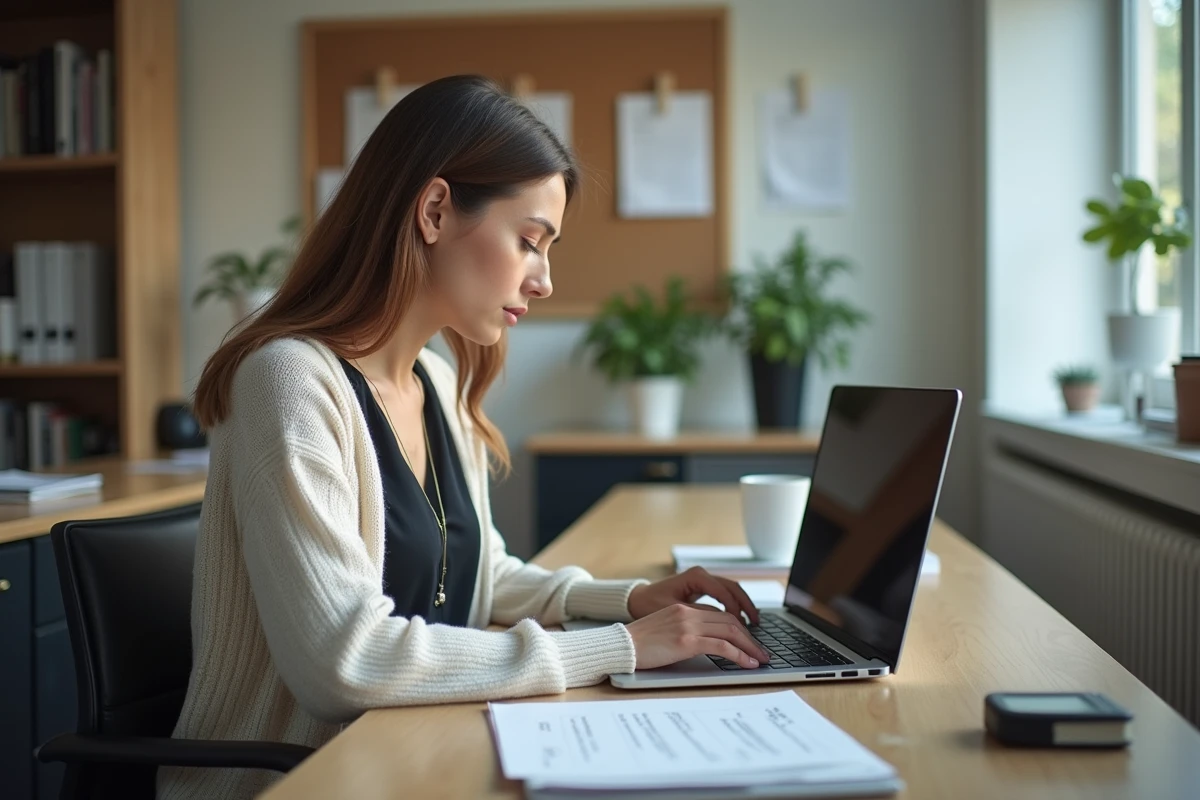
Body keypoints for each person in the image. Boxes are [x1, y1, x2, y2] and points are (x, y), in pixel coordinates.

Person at [159, 74, 770, 800]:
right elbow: (341, 661)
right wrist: (620, 649)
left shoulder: (436, 381)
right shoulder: (289, 382)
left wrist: (629, 601)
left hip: (413, 755)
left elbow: (482, 582)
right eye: (530, 242)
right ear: (436, 210)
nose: (543, 280)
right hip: (298, 782)